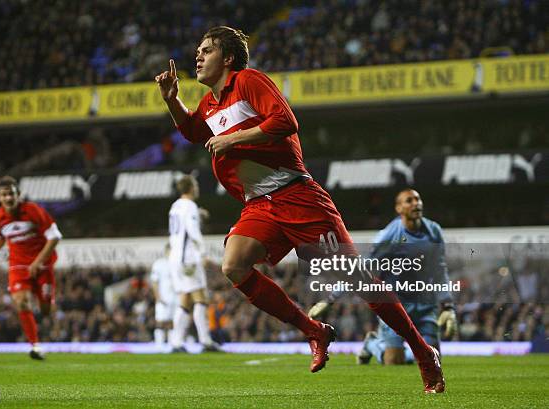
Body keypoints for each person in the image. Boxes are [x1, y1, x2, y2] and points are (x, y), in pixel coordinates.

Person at [155, 26, 444, 391]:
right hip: (261, 204)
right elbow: (195, 132)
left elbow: (285, 121)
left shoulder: (248, 81)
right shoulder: (210, 104)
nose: (198, 55)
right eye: (198, 49)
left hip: (299, 196)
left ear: (227, 58)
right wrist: (172, 101)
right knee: (233, 264)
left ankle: (422, 352)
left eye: (207, 50)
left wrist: (234, 138)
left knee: (359, 281)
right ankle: (315, 331)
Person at [310, 189, 458, 365]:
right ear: (399, 208)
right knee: (394, 361)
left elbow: (439, 270)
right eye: (409, 201)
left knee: (432, 359)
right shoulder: (388, 237)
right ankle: (372, 343)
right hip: (396, 304)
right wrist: (331, 298)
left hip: (426, 304)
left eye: (417, 199)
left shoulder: (434, 231)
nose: (415, 203)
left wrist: (448, 307)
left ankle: (408, 351)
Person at [0, 176, 62, 360]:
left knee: (45, 309)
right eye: (4, 195)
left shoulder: (33, 211)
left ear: (18, 195)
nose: (8, 198)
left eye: (11, 194)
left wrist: (37, 262)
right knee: (20, 301)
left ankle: (44, 306)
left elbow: (55, 236)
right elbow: (2, 236)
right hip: (18, 266)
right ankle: (35, 346)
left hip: (43, 265)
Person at [167, 175, 221, 352]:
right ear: (190, 188)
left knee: (185, 299)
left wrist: (198, 214)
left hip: (175, 257)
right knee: (200, 298)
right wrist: (203, 253)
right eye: (196, 185)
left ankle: (176, 342)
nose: (197, 188)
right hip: (188, 258)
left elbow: (182, 224)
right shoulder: (189, 206)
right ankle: (205, 341)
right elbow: (192, 231)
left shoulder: (175, 206)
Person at [149, 244, 178, 347]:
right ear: (166, 251)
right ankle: (159, 343)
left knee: (173, 322)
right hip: (163, 298)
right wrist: (158, 297)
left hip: (176, 298)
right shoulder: (159, 264)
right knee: (160, 321)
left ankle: (173, 344)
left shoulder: (178, 263)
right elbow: (154, 282)